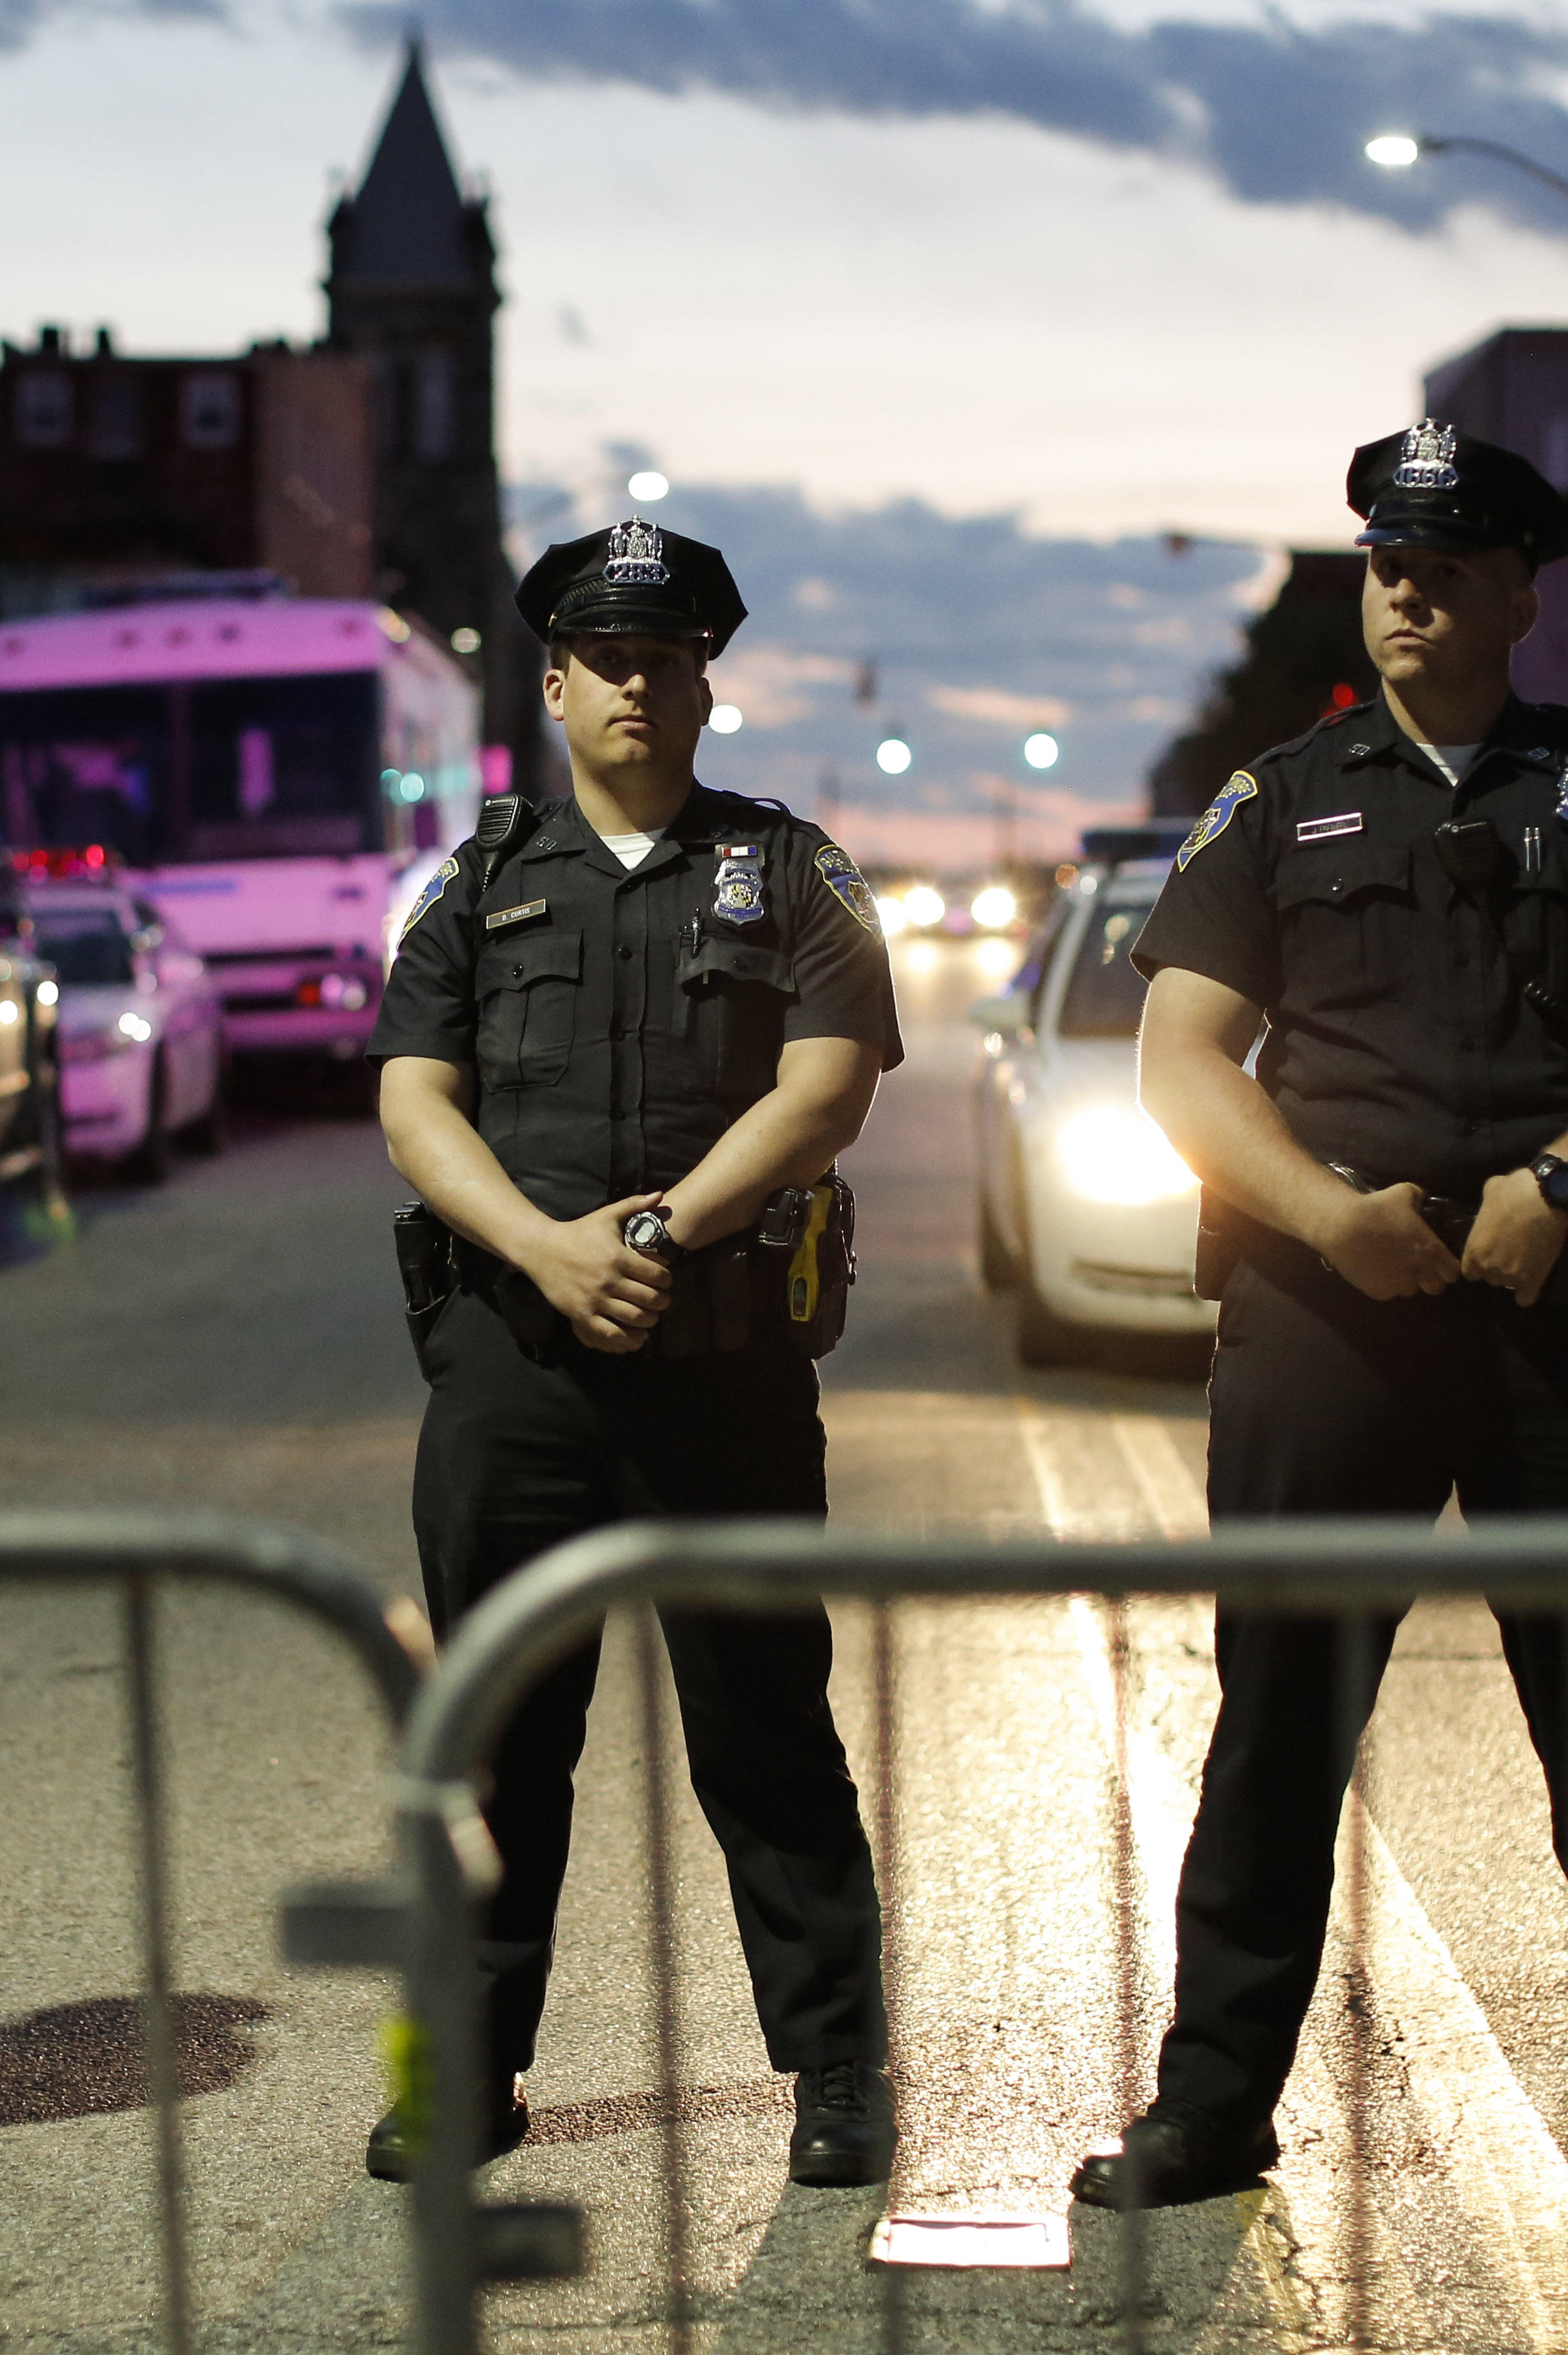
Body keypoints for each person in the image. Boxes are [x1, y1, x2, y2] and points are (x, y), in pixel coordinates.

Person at [1071, 426, 1568, 2248]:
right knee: (1278, 1729)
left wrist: (1567, 1189)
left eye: (1447, 562)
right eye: (1386, 561)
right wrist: (1323, 1209)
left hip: (1562, 1326)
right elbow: (1183, 1056)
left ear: (1523, 589)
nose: (1408, 586)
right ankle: (1209, 2116)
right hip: (1324, 1318)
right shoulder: (1279, 803)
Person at [367, 520, 899, 2190]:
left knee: (766, 1732)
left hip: (720, 1366)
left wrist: (661, 1236)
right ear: (554, 680)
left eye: (667, 660)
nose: (638, 687)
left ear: (704, 681)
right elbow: (411, 1099)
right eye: (607, 659)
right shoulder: (476, 878)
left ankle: (836, 2073)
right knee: (487, 1744)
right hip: (516, 1371)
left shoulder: (789, 869)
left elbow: (828, 1086)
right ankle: (457, 2076)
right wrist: (543, 1249)